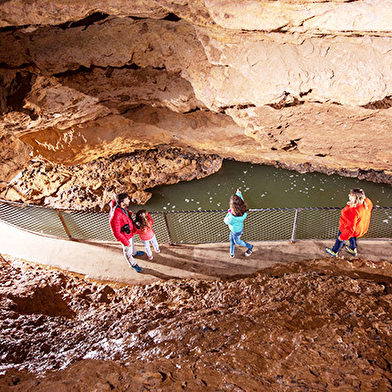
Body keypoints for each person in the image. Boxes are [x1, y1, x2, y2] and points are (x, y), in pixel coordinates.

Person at [326, 188, 373, 257]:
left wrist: (342, 237)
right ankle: (353, 249)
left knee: (342, 238)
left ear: (355, 198)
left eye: (351, 196)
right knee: (352, 236)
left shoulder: (351, 211)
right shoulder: (367, 202)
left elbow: (350, 229)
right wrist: (353, 203)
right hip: (360, 228)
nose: (349, 196)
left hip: (348, 228)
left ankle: (334, 251)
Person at [109, 193, 145, 273]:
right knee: (127, 251)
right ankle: (133, 264)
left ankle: (134, 253)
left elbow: (124, 215)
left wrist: (129, 215)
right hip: (125, 237)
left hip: (129, 232)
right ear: (122, 203)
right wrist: (125, 242)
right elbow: (116, 233)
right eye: (127, 199)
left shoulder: (122, 207)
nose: (129, 200)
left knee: (131, 245)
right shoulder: (115, 216)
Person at [224, 188, 254, 258]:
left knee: (237, 241)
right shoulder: (243, 213)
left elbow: (225, 221)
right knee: (231, 239)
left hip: (236, 231)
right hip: (239, 229)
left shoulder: (231, 217)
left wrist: (229, 213)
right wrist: (238, 193)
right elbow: (240, 201)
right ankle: (232, 252)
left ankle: (250, 247)